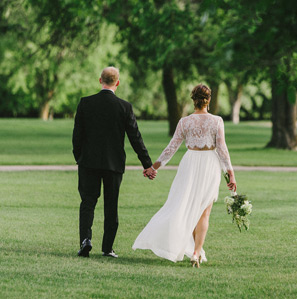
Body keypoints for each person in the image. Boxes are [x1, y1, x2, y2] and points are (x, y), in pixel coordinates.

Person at [132, 84, 237, 268]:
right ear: (208, 100)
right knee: (204, 211)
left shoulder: (185, 122)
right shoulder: (217, 121)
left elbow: (171, 148)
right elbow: (222, 149)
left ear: (193, 100)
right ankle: (196, 252)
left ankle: (196, 250)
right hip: (209, 165)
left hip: (190, 163)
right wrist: (230, 173)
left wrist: (153, 167)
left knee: (185, 205)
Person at [72, 66, 157, 258]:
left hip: (88, 162)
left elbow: (77, 135)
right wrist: (147, 164)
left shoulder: (85, 103)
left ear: (100, 80)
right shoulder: (124, 107)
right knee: (111, 205)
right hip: (113, 164)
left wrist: (79, 157)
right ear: (117, 83)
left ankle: (85, 240)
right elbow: (135, 137)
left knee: (87, 202)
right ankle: (107, 248)